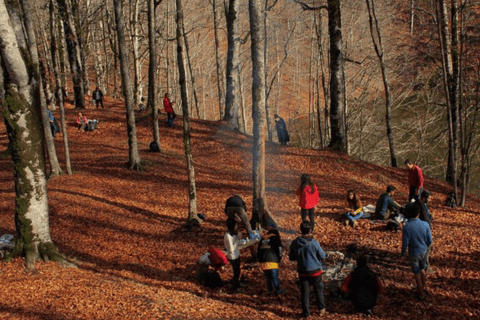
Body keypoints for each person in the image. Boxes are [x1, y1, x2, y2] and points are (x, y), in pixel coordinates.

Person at [289, 222, 327, 318]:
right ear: (310, 230)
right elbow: (323, 256)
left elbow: (291, 257)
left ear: (300, 230)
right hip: (316, 271)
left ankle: (306, 313)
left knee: (305, 293)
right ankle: (321, 309)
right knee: (318, 290)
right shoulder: (314, 242)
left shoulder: (294, 243)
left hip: (302, 272)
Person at [401, 203, 433, 301]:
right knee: (422, 269)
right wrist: (426, 245)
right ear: (418, 213)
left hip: (413, 252)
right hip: (423, 251)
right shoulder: (425, 224)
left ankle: (421, 293)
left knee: (417, 273)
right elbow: (430, 240)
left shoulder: (406, 227)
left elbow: (405, 243)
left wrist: (402, 254)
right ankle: (422, 287)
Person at [257, 228, 285, 296]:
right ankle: (277, 290)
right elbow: (280, 249)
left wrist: (260, 260)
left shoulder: (262, 239)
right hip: (272, 260)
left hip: (263, 260)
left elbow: (258, 250)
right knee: (274, 276)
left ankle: (270, 290)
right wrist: (279, 258)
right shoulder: (276, 238)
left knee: (268, 277)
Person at [416, 190, 434, 273]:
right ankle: (425, 266)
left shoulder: (421, 205)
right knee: (427, 248)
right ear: (423, 198)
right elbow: (425, 220)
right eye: (428, 198)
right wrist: (430, 218)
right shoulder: (422, 206)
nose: (429, 200)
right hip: (424, 230)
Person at [224, 218, 242, 291]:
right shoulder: (228, 236)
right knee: (236, 271)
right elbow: (231, 248)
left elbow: (238, 238)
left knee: (238, 271)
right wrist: (237, 243)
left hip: (236, 254)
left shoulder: (232, 234)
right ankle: (235, 286)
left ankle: (237, 283)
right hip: (233, 256)